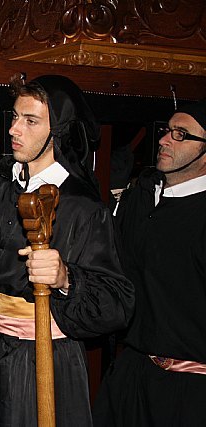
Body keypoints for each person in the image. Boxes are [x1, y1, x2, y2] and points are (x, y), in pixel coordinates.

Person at [0, 74, 134, 426]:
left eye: (30, 121)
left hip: (40, 362)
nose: (15, 129)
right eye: (15, 117)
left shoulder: (83, 207)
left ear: (58, 132)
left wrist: (67, 279)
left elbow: (118, 303)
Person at [93, 99, 206, 426]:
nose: (164, 140)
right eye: (167, 131)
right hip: (132, 375)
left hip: (191, 391)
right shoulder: (140, 198)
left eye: (181, 134)